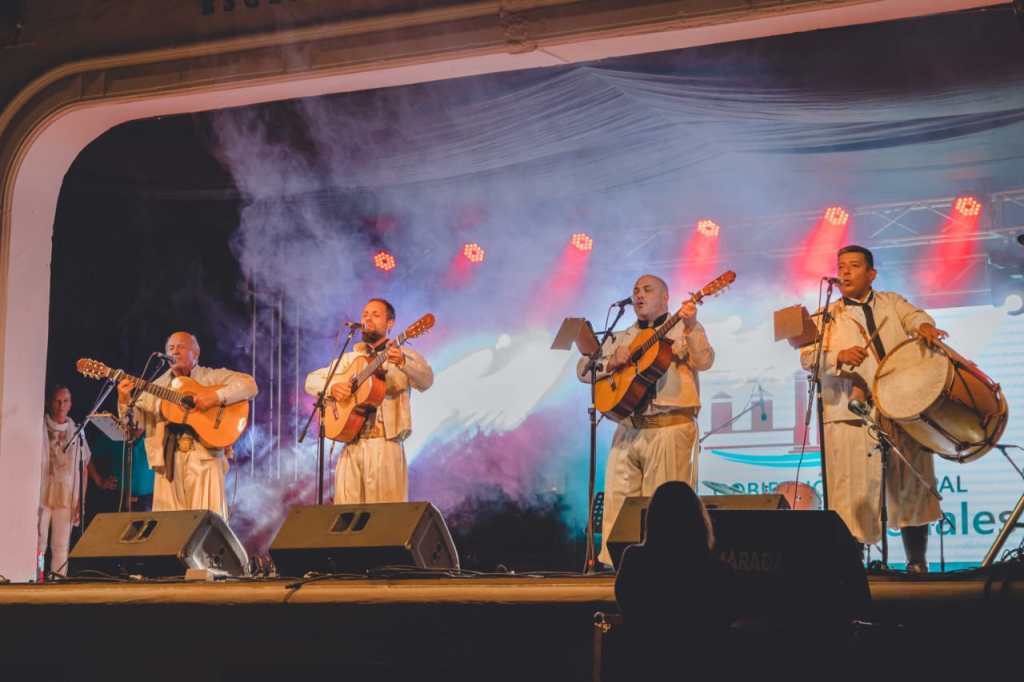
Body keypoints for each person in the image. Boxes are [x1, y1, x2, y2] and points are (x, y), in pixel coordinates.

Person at [800, 245, 945, 572]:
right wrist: (837, 356)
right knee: (852, 494)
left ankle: (917, 564)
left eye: (854, 266)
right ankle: (854, 570)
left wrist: (924, 327)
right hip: (851, 415)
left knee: (912, 485)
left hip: (902, 407)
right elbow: (807, 356)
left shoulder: (891, 302)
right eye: (841, 266)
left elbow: (915, 316)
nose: (846, 272)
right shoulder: (826, 315)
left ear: (871, 274)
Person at [577, 274, 714, 566]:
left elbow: (704, 360)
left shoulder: (682, 329)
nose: (639, 295)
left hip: (669, 427)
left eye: (647, 290)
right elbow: (583, 370)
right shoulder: (623, 335)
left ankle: (670, 574)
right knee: (618, 507)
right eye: (636, 290)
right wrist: (610, 362)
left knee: (666, 512)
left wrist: (691, 325)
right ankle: (617, 575)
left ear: (666, 297)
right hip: (628, 428)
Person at [305, 298, 433, 504]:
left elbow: (426, 380)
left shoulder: (403, 354)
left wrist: (403, 362)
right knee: (346, 515)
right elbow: (311, 381)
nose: (367, 318)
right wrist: (332, 388)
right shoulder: (350, 360)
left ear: (390, 323)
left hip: (385, 444)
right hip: (351, 444)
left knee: (385, 518)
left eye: (375, 314)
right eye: (365, 314)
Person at [117, 331, 258, 519]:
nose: (174, 351)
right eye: (170, 348)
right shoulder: (155, 387)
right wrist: (124, 401)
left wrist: (214, 397)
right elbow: (133, 429)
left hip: (205, 461)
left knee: (207, 526)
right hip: (168, 466)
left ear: (196, 354)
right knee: (168, 530)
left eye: (181, 347)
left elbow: (249, 385)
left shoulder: (211, 377)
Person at [614, 481, 737, 675]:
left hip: (644, 667)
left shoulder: (634, 559)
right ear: (698, 520)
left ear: (653, 518)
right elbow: (727, 618)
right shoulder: (718, 569)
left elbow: (627, 605)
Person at [39, 385, 92, 577]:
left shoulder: (77, 431)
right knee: (39, 543)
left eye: (65, 401)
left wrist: (81, 501)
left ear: (70, 404)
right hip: (42, 493)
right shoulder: (41, 426)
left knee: (61, 546)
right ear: (49, 402)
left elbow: (84, 467)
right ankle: (36, 578)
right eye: (57, 401)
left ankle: (56, 584)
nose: (61, 405)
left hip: (66, 495)